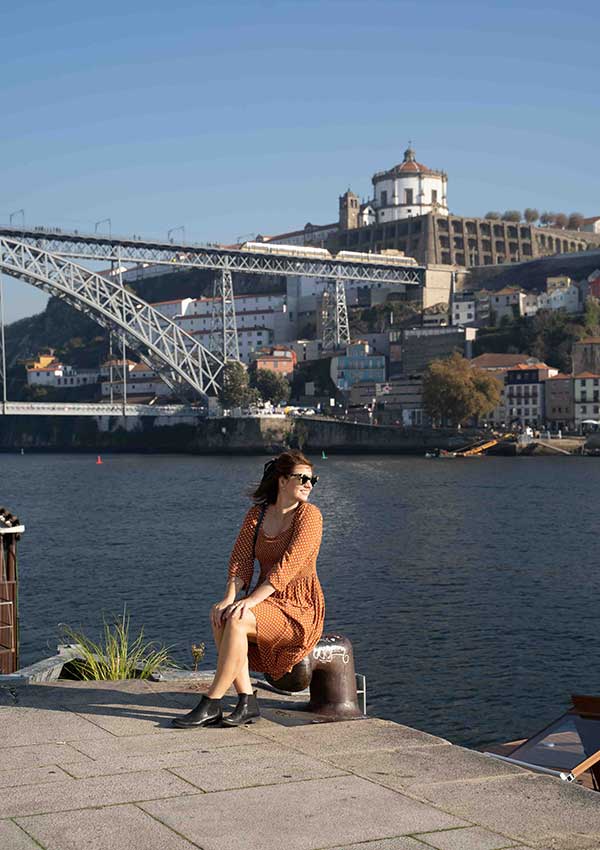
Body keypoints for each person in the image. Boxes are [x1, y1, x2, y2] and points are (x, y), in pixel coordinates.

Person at [172, 450, 324, 729]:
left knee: (238, 618)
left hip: (299, 607)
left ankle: (212, 701)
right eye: (302, 478)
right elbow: (241, 561)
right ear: (281, 480)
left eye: (312, 479)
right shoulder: (257, 515)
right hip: (265, 601)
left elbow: (288, 568)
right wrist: (230, 597)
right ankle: (246, 701)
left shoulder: (310, 516)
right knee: (221, 614)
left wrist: (250, 601)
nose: (309, 484)